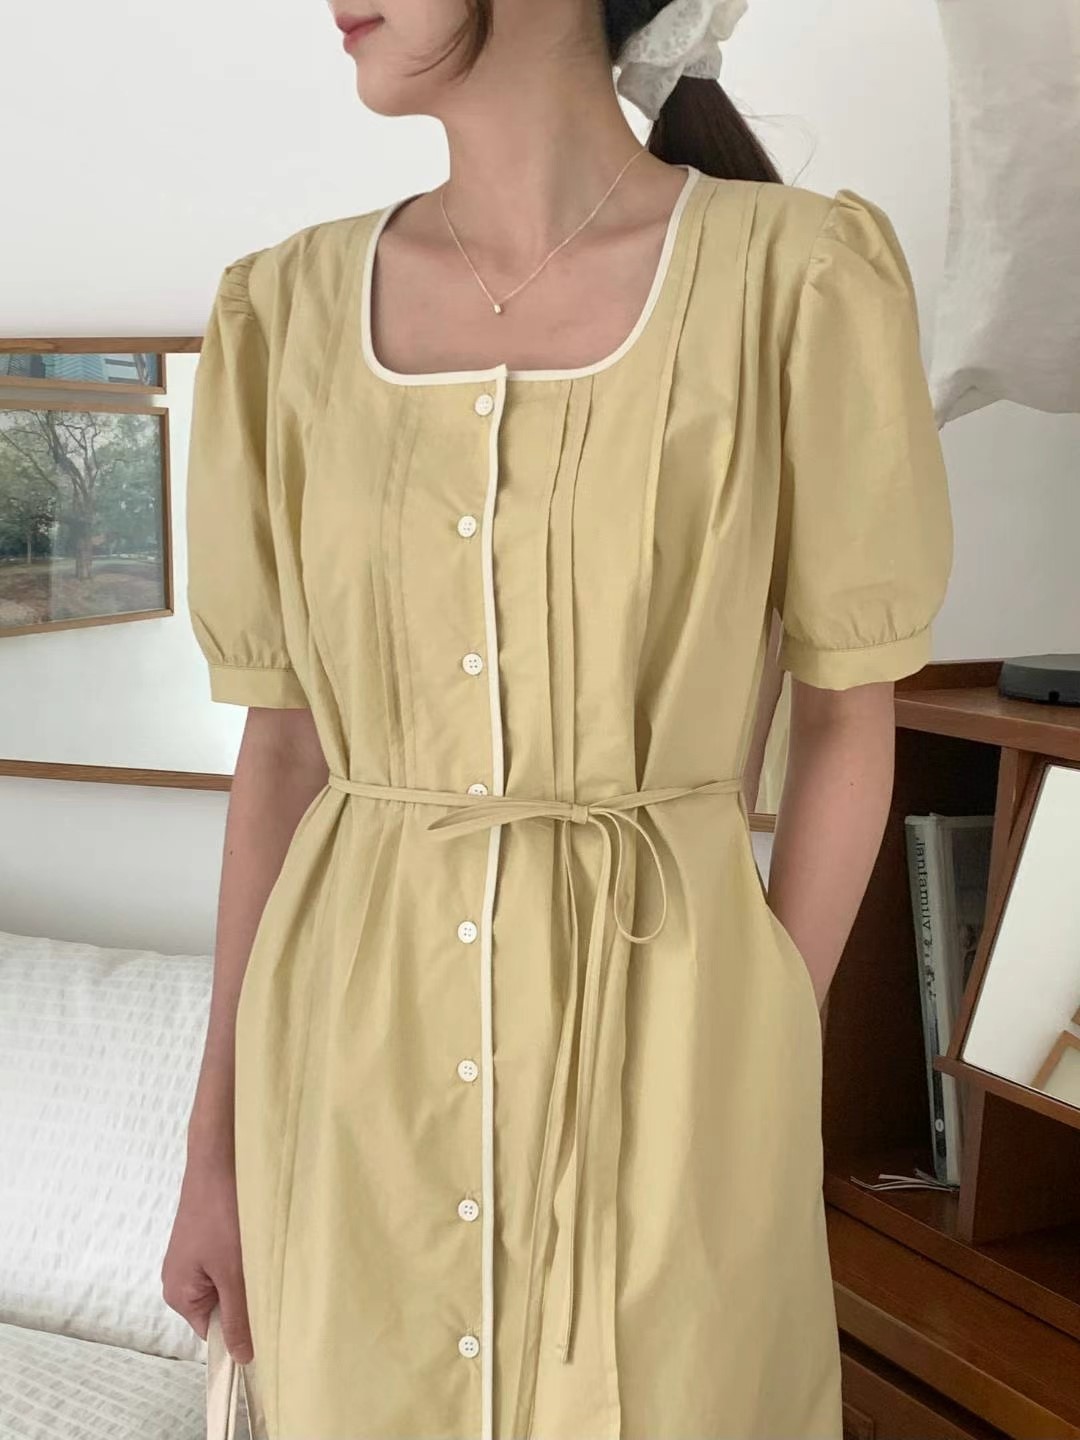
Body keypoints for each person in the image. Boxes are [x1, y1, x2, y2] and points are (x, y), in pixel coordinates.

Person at [164, 0, 954, 1436]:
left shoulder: (799, 278)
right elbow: (282, 751)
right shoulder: (281, 315)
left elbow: (850, 711)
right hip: (349, 1077)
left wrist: (760, 1033)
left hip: (676, 1055)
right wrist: (213, 1147)